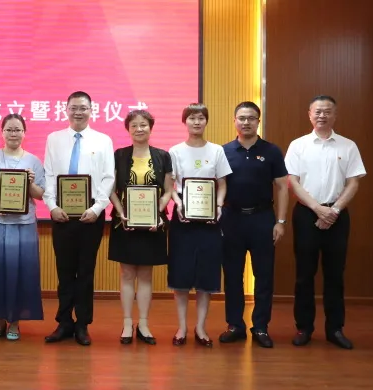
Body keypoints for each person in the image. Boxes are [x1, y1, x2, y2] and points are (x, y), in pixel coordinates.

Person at [284, 95, 365, 350]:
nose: (322, 115)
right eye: (317, 111)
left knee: (335, 275)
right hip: (306, 213)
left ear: (335, 115)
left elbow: (354, 182)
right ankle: (304, 328)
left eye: (327, 111)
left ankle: (335, 329)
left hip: (337, 216)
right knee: (304, 275)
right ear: (309, 114)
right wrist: (318, 209)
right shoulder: (298, 145)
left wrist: (334, 210)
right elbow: (292, 182)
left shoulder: (348, 146)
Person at [43, 91, 115, 346]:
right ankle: (64, 322)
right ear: (66, 109)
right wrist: (52, 206)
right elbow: (49, 175)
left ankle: (82, 324)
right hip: (61, 215)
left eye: (83, 108)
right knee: (64, 272)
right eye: (73, 107)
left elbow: (108, 177)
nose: (78, 112)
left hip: (90, 216)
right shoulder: (54, 139)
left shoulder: (103, 140)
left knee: (85, 271)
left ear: (91, 110)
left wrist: (97, 208)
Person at [218, 101, 288, 348]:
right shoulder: (223, 151)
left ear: (258, 121)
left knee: (264, 275)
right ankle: (235, 325)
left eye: (251, 118)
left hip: (262, 219)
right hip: (231, 219)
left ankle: (260, 327)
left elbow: (282, 187)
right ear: (234, 121)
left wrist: (280, 221)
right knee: (232, 276)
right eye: (241, 118)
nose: (246, 122)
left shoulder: (272, 151)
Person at [0, 113, 46, 341]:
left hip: (23, 225)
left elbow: (40, 194)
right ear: (2, 132)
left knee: (19, 272)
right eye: (9, 129)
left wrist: (30, 183)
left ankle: (14, 322)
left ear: (24, 133)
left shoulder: (33, 161)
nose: (13, 133)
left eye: (18, 129)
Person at [168, 103, 231, 347]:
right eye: (192, 118)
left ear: (206, 121)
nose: (196, 122)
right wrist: (178, 203)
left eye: (201, 118)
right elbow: (170, 186)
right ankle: (182, 327)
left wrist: (219, 206)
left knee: (206, 275)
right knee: (181, 275)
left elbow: (222, 184)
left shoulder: (216, 151)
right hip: (183, 219)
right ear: (185, 121)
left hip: (210, 220)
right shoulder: (175, 151)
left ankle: (201, 327)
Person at [108, 109, 173, 346]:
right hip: (124, 222)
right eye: (134, 125)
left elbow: (168, 191)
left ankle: (143, 324)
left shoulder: (163, 156)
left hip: (153, 224)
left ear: (150, 128)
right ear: (128, 129)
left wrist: (157, 213)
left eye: (143, 125)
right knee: (127, 274)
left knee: (146, 274)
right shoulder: (119, 155)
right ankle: (127, 323)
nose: (139, 129)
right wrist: (121, 212)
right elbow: (111, 190)